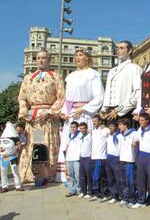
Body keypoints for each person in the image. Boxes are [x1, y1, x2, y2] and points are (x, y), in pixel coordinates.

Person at [18, 49, 65, 182]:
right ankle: (33, 173)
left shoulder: (56, 76)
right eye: (38, 57)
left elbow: (61, 97)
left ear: (49, 60)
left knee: (47, 143)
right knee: (35, 144)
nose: (41, 60)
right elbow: (22, 98)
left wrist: (50, 111)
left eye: (44, 57)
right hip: (33, 118)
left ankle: (48, 173)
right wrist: (24, 112)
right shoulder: (28, 78)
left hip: (48, 117)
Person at [58, 48, 104, 182]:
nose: (77, 57)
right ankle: (70, 177)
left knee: (85, 145)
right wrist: (65, 112)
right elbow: (68, 98)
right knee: (70, 144)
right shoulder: (71, 76)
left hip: (86, 115)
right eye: (76, 55)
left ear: (87, 58)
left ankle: (86, 178)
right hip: (72, 115)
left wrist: (84, 109)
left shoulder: (93, 74)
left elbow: (99, 96)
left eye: (81, 55)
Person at [101, 41, 143, 122]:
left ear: (130, 50)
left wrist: (119, 110)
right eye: (118, 48)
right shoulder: (112, 71)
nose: (118, 51)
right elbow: (107, 92)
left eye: (122, 48)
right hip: (109, 114)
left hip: (125, 114)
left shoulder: (135, 68)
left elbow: (138, 93)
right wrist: (103, 109)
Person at [131, 112, 150, 209]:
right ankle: (141, 200)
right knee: (140, 180)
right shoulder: (139, 129)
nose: (140, 122)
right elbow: (136, 139)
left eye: (142, 120)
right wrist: (134, 142)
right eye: (140, 120)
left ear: (147, 120)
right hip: (141, 156)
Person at [117, 118, 138, 207]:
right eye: (119, 125)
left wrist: (134, 141)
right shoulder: (119, 135)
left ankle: (132, 199)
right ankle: (125, 198)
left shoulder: (133, 133)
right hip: (121, 160)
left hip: (130, 161)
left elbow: (139, 134)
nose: (119, 127)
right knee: (123, 181)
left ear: (126, 125)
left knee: (130, 181)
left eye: (121, 125)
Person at [90, 115, 110, 202]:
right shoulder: (94, 131)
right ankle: (97, 194)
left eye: (95, 121)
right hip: (94, 157)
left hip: (102, 157)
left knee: (102, 177)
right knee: (95, 177)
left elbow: (110, 136)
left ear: (100, 121)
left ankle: (105, 194)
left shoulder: (105, 130)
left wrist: (105, 127)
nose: (94, 123)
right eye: (93, 121)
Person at [0, 122, 24, 192]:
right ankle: (4, 186)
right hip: (5, 156)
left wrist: (17, 147)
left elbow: (19, 146)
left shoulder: (15, 138)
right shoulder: (2, 138)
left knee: (15, 170)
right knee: (3, 171)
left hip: (13, 156)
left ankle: (18, 185)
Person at [62, 122, 81, 197]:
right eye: (71, 127)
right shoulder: (69, 135)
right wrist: (65, 158)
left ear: (77, 127)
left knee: (78, 175)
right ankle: (72, 190)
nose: (72, 128)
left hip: (77, 158)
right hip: (69, 158)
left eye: (74, 127)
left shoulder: (80, 134)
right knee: (70, 175)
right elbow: (66, 147)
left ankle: (79, 190)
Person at [105, 121, 121, 204]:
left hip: (116, 159)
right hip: (109, 158)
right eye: (109, 126)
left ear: (116, 127)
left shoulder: (119, 136)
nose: (110, 128)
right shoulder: (108, 136)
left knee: (118, 178)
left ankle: (121, 195)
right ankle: (114, 195)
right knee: (110, 178)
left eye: (112, 126)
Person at [78, 122, 93, 199]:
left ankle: (90, 192)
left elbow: (94, 132)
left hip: (88, 158)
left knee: (88, 175)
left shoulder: (90, 135)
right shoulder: (80, 136)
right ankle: (83, 191)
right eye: (80, 128)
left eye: (83, 128)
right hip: (81, 158)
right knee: (82, 176)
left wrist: (90, 131)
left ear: (86, 128)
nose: (82, 130)